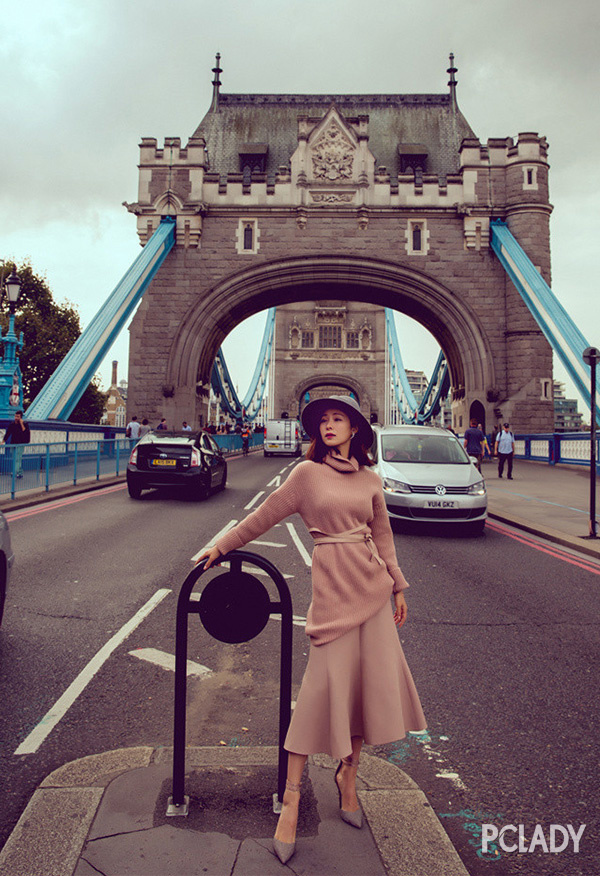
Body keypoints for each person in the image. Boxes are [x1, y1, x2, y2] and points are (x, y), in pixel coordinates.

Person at [198, 394, 426, 865]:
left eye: (338, 419)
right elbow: (264, 515)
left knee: (363, 691)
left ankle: (349, 777)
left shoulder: (370, 479)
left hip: (373, 590)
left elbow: (383, 535)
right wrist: (222, 545)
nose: (328, 425)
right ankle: (292, 797)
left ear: (355, 429)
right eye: (323, 420)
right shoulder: (306, 475)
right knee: (317, 696)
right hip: (333, 593)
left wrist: (398, 586)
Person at [2, 410, 30, 478]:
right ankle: (20, 472)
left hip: (21, 444)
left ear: (21, 417)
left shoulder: (25, 424)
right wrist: (3, 441)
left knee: (17, 458)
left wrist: (22, 424)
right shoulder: (12, 424)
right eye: (15, 416)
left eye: (18, 417)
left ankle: (15, 472)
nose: (16, 418)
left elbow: (25, 432)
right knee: (15, 458)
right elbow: (8, 433)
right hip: (13, 443)